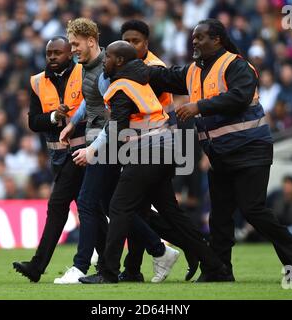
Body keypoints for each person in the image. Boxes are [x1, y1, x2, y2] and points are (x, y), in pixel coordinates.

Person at [147, 19, 292, 280]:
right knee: (219, 215)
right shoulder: (194, 71)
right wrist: (135, 66)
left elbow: (239, 97)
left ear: (217, 39)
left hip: (251, 147)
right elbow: (165, 76)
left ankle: (290, 249)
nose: (194, 41)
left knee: (252, 209)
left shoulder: (237, 64)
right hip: (220, 153)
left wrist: (199, 106)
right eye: (193, 37)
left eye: (200, 37)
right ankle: (220, 271)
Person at [78, 41, 231, 284]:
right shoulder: (140, 81)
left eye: (108, 58)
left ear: (118, 61)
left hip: (149, 152)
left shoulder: (121, 87)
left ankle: (107, 273)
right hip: (166, 149)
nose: (104, 62)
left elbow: (118, 128)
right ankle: (215, 265)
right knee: (169, 212)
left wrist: (105, 156)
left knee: (118, 207)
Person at [55, 18, 178, 284]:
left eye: (75, 44)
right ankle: (161, 249)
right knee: (112, 205)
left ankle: (80, 266)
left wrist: (92, 150)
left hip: (109, 143)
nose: (72, 49)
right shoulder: (88, 67)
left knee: (88, 202)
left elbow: (113, 119)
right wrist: (72, 124)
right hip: (102, 140)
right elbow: (91, 102)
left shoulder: (106, 70)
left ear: (91, 41)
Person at [118, 19, 198, 282]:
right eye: (126, 41)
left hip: (155, 145)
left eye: (136, 42)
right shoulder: (130, 68)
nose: (131, 46)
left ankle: (195, 248)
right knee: (155, 208)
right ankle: (195, 248)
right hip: (143, 145)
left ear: (146, 44)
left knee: (129, 206)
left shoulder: (152, 70)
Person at [12, 36, 86, 282]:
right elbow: (33, 122)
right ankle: (159, 248)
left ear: (70, 54)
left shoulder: (85, 73)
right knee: (97, 208)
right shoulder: (36, 82)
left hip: (83, 154)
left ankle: (37, 266)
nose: (52, 57)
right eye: (49, 53)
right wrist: (54, 116)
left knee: (57, 207)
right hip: (58, 156)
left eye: (58, 52)